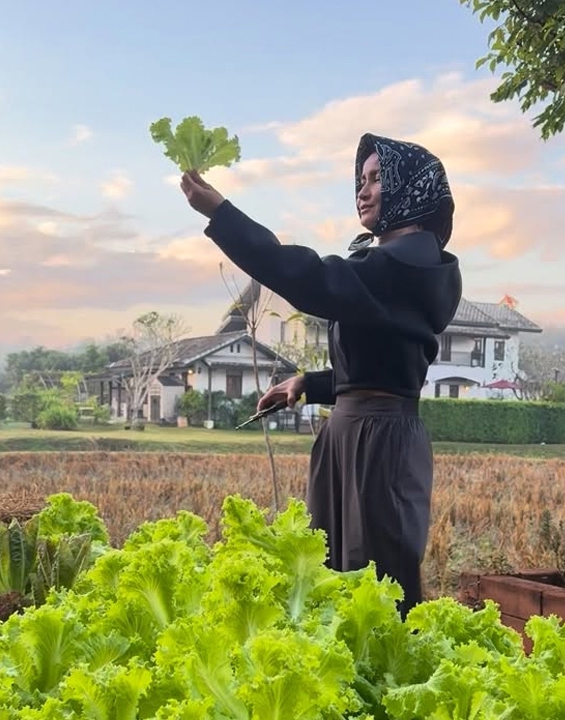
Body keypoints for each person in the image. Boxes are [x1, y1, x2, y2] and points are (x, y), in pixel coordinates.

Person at [178, 133, 462, 617]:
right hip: (354, 434)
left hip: (378, 442)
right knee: (334, 579)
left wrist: (222, 216)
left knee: (375, 588)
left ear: (411, 189)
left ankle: (387, 688)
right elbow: (383, 368)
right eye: (361, 179)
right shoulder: (396, 266)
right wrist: (309, 385)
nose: (364, 190)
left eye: (378, 179)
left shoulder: (407, 265)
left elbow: (308, 278)